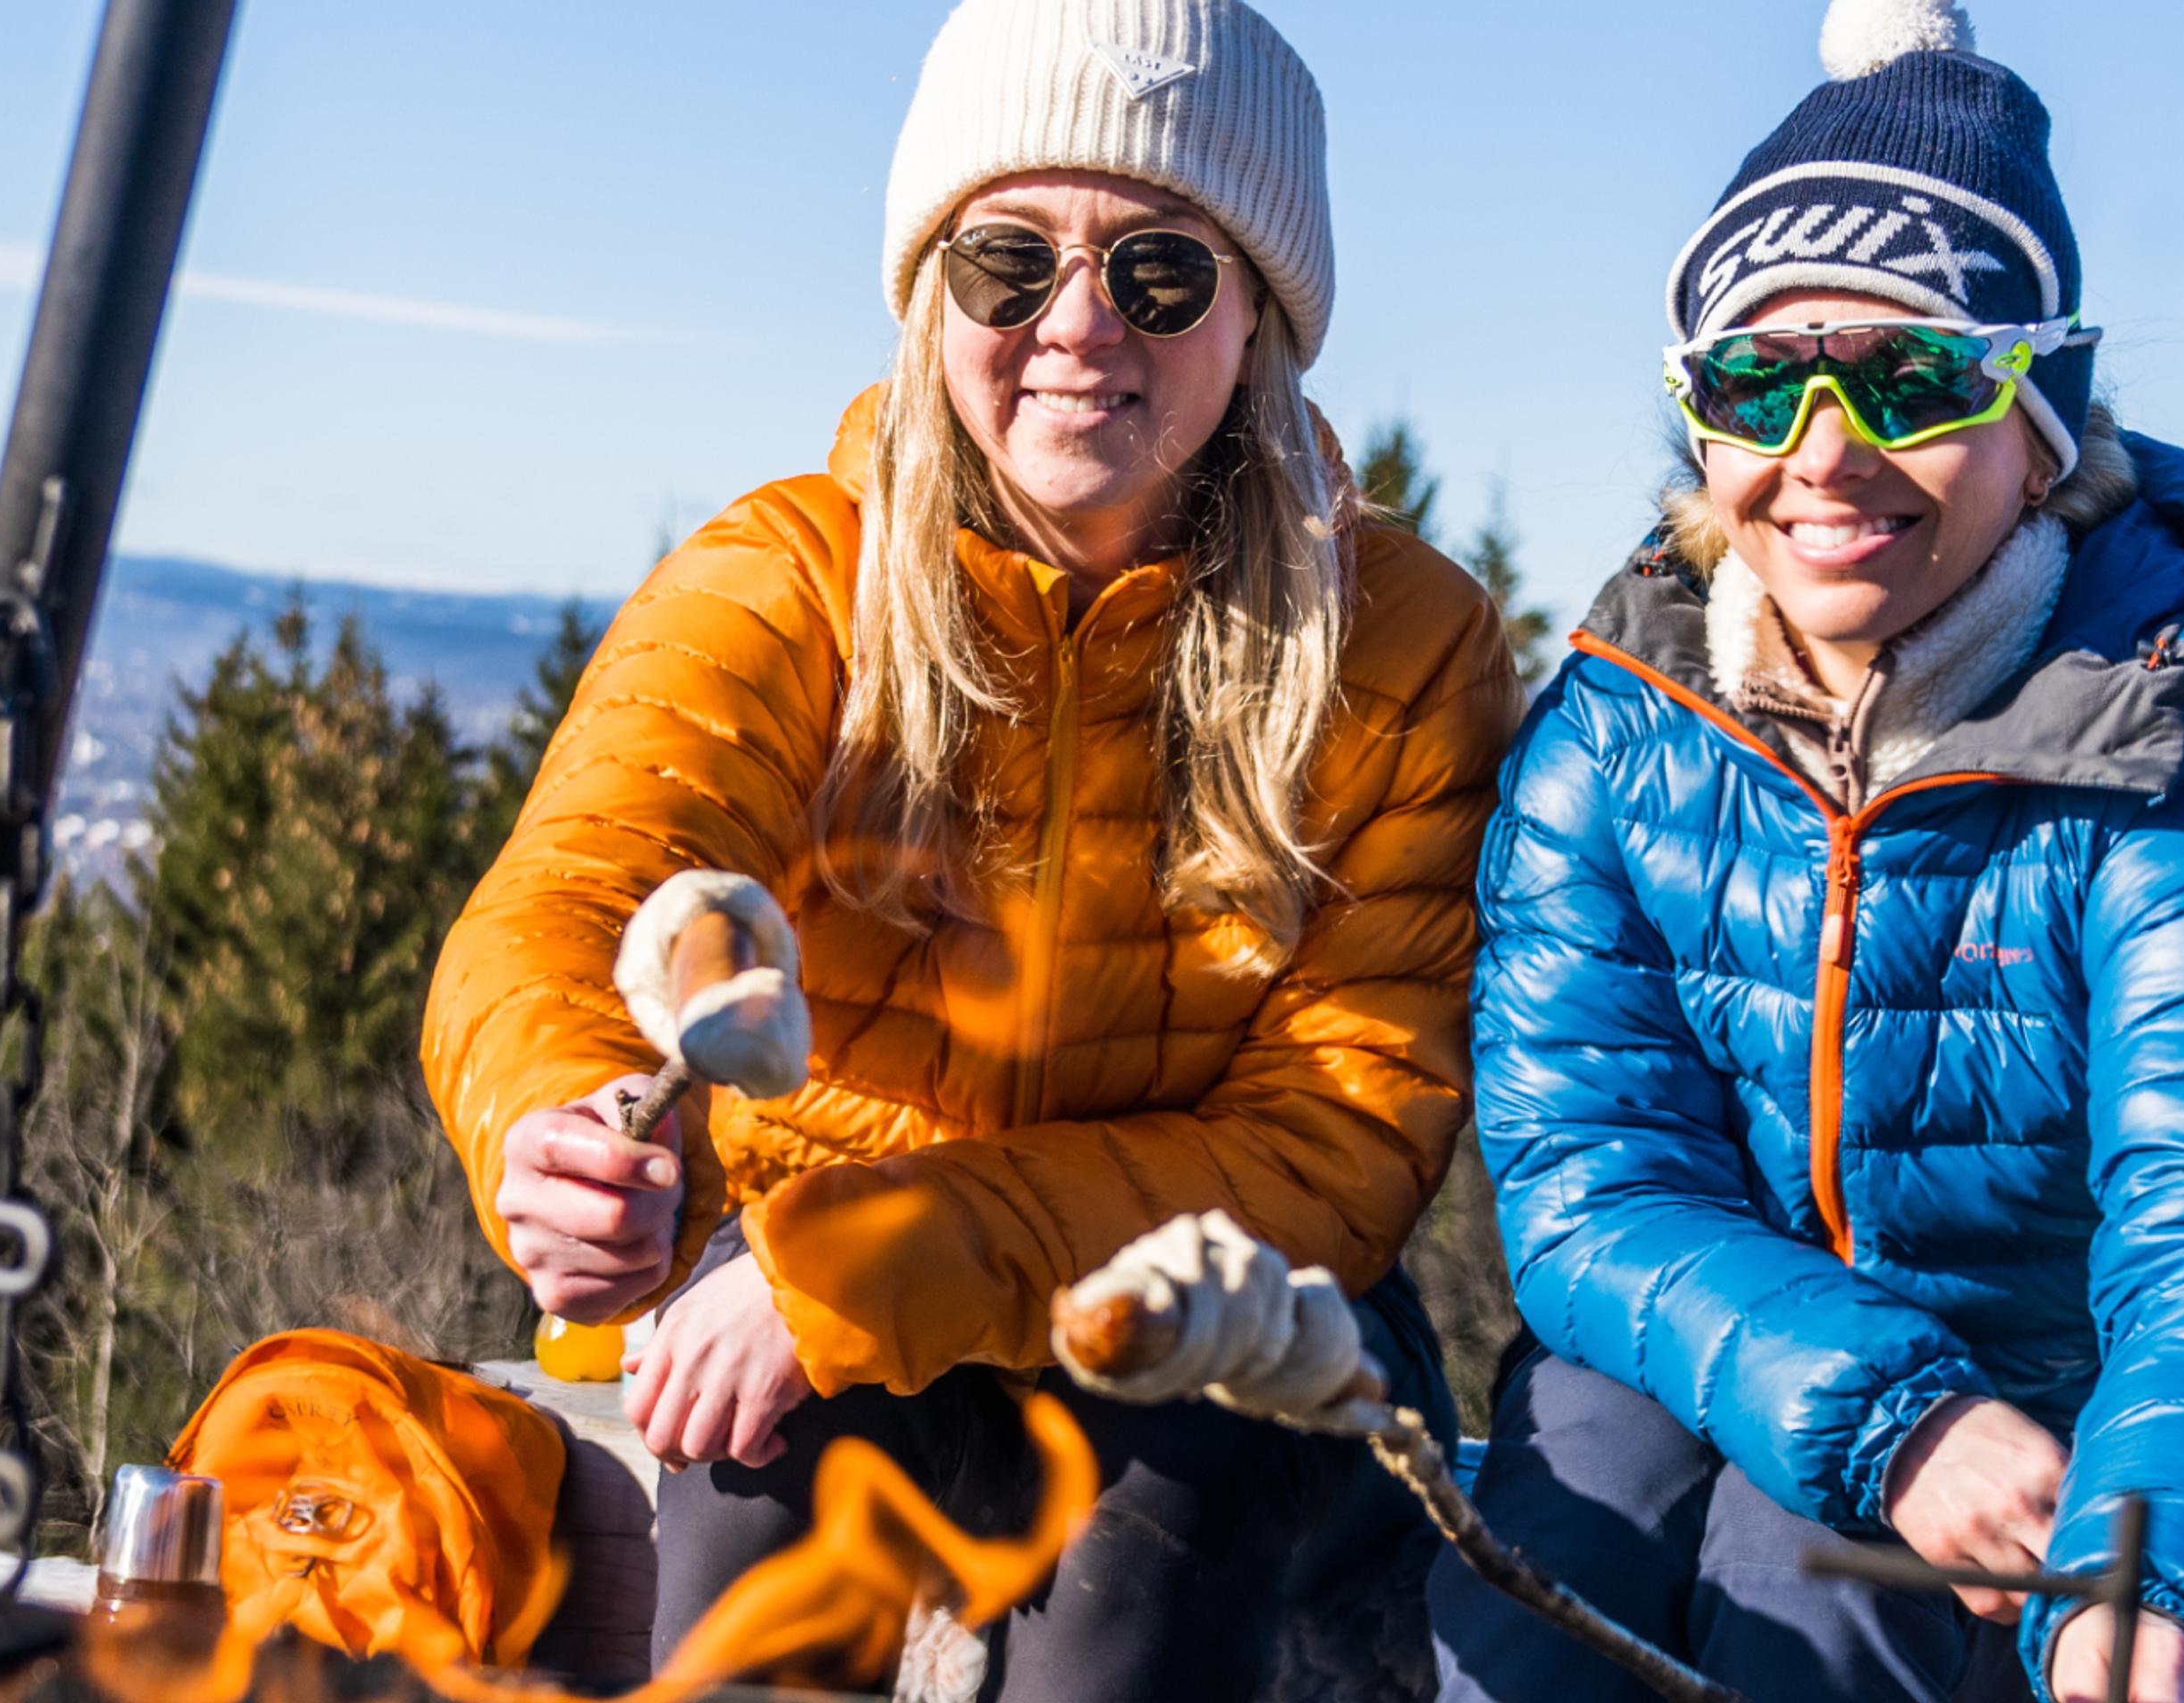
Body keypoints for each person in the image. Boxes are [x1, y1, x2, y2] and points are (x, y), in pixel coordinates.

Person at [421, 0, 1519, 1694]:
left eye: (1157, 271)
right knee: (744, 1567)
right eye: (1009, 263)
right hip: (816, 1252)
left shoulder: (1402, 646)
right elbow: (572, 901)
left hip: (1198, 1283)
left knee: (1151, 1579)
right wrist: (555, 1128)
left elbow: (1341, 1135)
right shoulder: (793, 575)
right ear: (935, 296)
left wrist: (889, 1259)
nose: (1076, 327)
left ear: (1259, 321)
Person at [1430, 4, 2184, 1701]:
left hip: (2047, 1403)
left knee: (1824, 1609)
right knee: (1530, 1592)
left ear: (2046, 425)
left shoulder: (2183, 779)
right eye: (1753, 380)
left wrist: (2147, 1556)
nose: (1820, 454)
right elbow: (1587, 1186)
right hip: (1679, 1343)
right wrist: (1889, 1415)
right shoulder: (1616, 735)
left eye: (1916, 376)